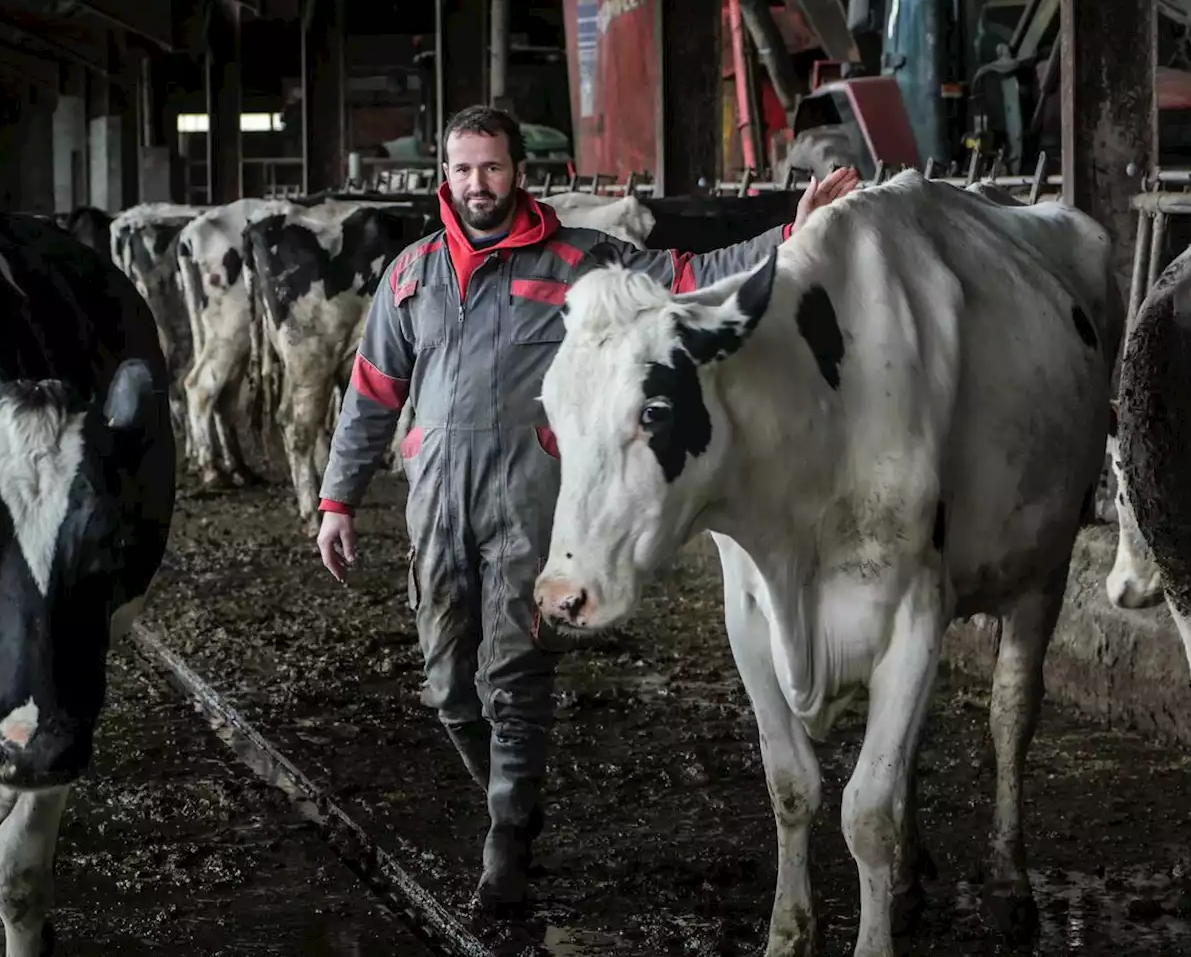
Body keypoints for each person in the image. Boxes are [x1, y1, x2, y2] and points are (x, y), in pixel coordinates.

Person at [315, 104, 859, 914]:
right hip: (435, 507)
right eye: (464, 170)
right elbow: (369, 397)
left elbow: (682, 276)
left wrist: (789, 234)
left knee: (513, 676)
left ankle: (507, 844)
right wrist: (338, 499)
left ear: (517, 173)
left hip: (530, 510)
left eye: (491, 168)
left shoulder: (578, 259)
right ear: (446, 177)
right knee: (447, 686)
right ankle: (513, 794)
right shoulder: (410, 275)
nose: (478, 184)